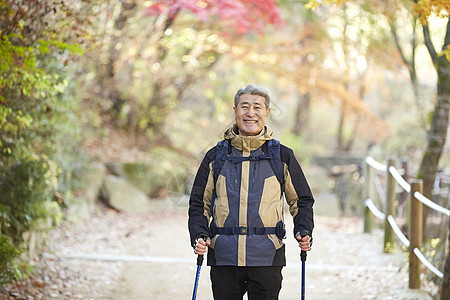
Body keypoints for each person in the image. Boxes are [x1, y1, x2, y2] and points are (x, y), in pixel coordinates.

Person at [188, 84, 314, 300]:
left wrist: (303, 228)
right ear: (235, 110)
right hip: (224, 256)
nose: (251, 113)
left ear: (267, 113)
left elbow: (301, 200)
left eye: (257, 107)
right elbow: (199, 204)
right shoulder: (215, 156)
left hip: (267, 256)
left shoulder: (282, 156)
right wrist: (198, 234)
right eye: (244, 106)